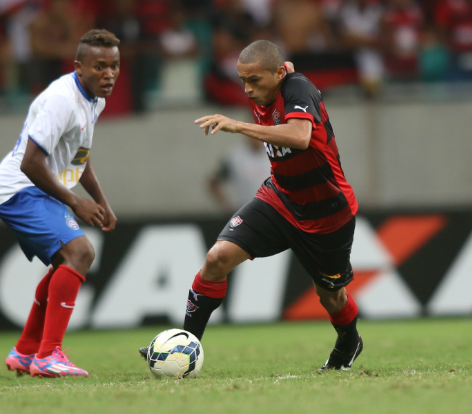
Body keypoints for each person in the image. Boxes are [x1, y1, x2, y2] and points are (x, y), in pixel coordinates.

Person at [139, 41, 362, 371]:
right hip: (280, 198)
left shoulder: (298, 87)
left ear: (277, 74)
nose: (247, 89)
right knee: (217, 258)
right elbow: (281, 63)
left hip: (327, 212)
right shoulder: (272, 78)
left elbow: (301, 137)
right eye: (243, 80)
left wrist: (237, 125)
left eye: (254, 80)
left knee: (331, 295)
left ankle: (349, 341)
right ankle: (183, 346)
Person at [0, 29, 120, 378]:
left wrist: (101, 201)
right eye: (99, 66)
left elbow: (80, 157)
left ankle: (26, 351)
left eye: (114, 66)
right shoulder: (62, 99)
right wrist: (77, 203)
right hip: (19, 188)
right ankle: (49, 355)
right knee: (81, 253)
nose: (109, 74)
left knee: (67, 260)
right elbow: (30, 162)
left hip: (40, 190)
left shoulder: (95, 100)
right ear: (79, 67)